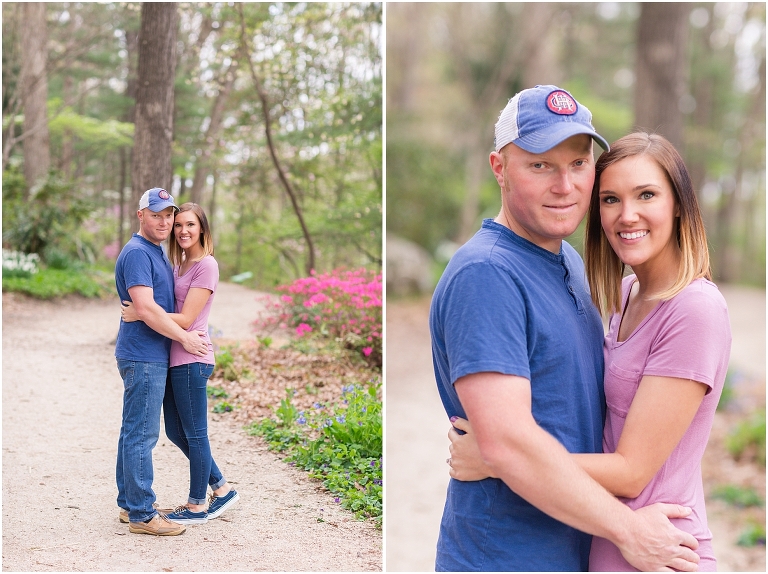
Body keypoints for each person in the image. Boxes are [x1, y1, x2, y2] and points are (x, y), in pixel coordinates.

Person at [429, 85, 701, 571]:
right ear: (499, 168)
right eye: (540, 165)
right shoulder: (487, 274)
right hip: (506, 557)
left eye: (578, 164)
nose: (565, 185)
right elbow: (507, 442)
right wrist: (631, 532)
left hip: (569, 551)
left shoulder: (567, 261)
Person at [121, 203, 240, 525]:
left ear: (202, 229)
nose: (183, 230)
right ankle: (223, 487)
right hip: (174, 358)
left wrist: (142, 311)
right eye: (179, 225)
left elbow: (187, 318)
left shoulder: (206, 265)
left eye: (190, 225)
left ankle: (197, 505)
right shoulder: (179, 264)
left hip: (192, 357)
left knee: (196, 434)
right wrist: (147, 310)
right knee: (176, 432)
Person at [115, 188, 209, 536]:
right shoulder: (138, 252)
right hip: (143, 355)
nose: (164, 221)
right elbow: (145, 307)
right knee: (141, 434)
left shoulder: (155, 252)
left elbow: (146, 310)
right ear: (141, 215)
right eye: (157, 214)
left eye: (168, 215)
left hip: (147, 353)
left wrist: (148, 318)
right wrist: (184, 338)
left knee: (133, 431)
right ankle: (142, 514)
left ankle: (129, 505)